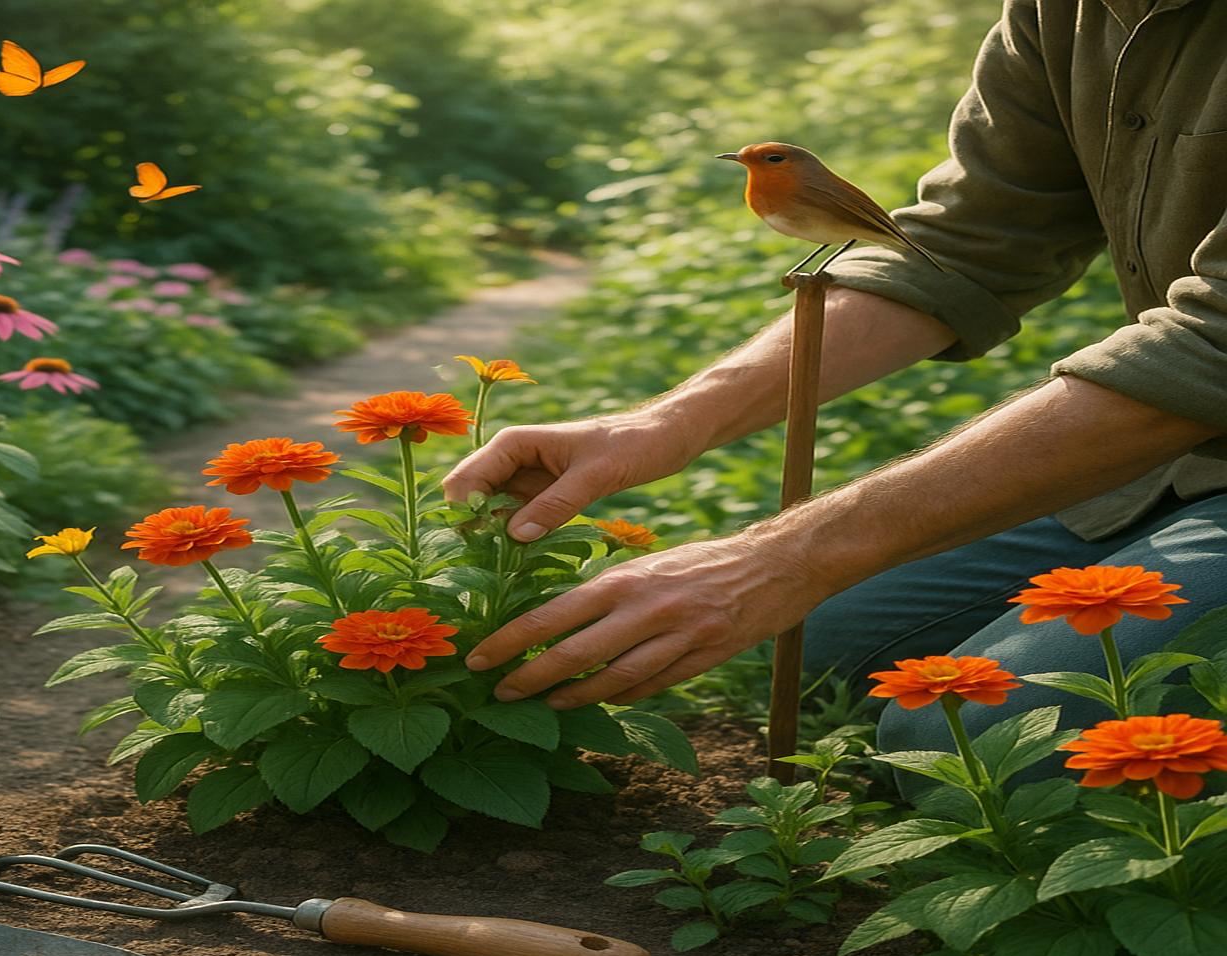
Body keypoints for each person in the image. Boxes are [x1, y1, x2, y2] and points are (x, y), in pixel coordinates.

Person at [442, 0, 1227, 770]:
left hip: (1193, 436)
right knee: (817, 651)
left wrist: (792, 553)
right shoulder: (1066, 14)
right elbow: (976, 239)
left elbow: (1214, 342)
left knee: (961, 740)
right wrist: (667, 423)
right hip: (1165, 466)